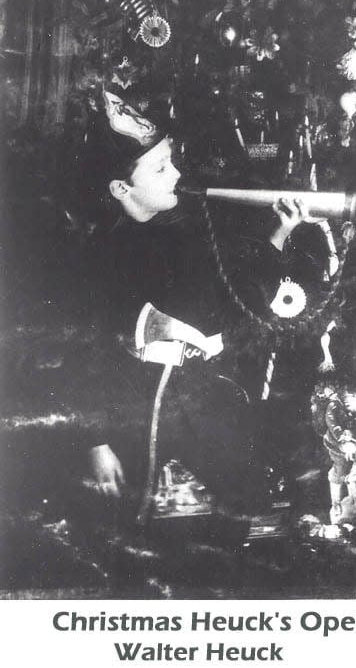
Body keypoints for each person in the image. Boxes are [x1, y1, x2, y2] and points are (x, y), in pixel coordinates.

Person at [79, 86, 329, 521]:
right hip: (138, 407)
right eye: (160, 169)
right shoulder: (99, 256)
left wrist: (280, 234)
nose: (175, 174)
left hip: (203, 393)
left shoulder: (183, 226)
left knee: (248, 502)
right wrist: (97, 446)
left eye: (171, 161)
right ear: (121, 188)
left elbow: (236, 297)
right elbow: (83, 358)